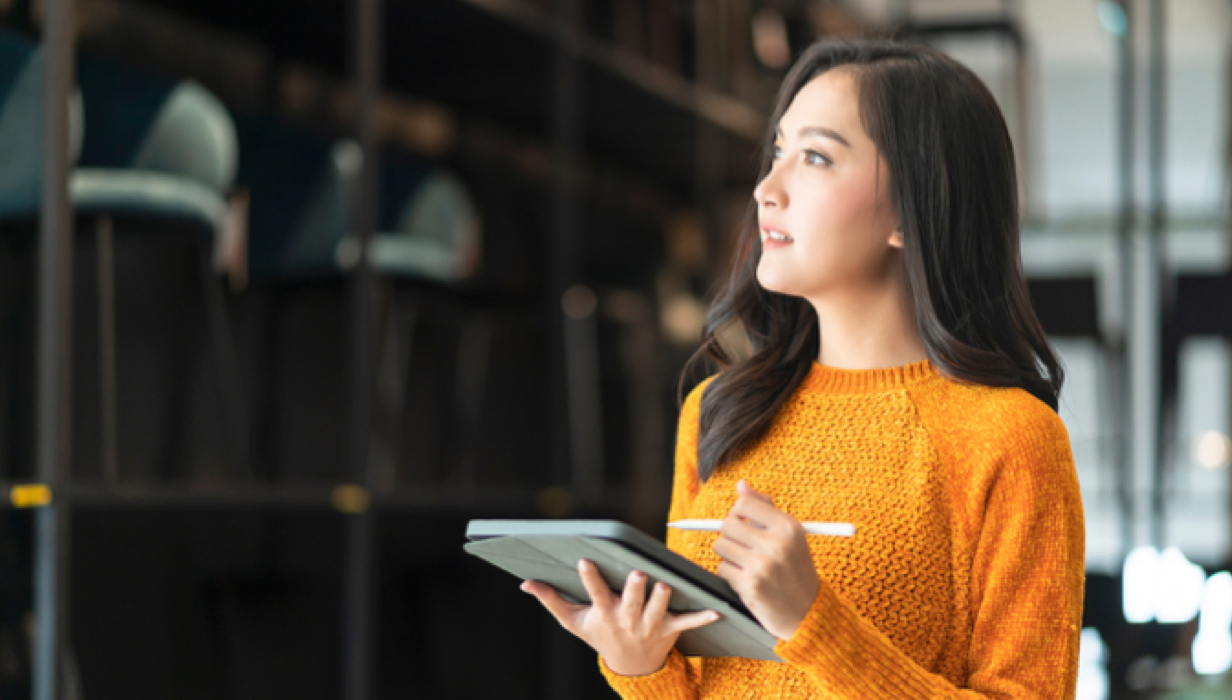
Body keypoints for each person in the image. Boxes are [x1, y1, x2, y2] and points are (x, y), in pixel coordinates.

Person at [521, 38, 1085, 698]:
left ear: (910, 208)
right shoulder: (718, 410)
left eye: (815, 157)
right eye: (778, 151)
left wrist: (815, 623)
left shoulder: (1011, 440)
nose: (766, 189)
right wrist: (641, 665)